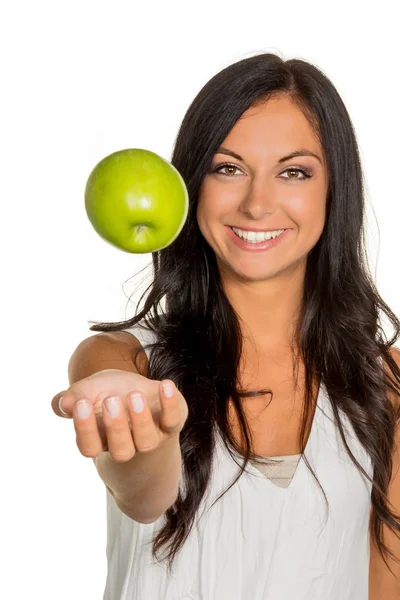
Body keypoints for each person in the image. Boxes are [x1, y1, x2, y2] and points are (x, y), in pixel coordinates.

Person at [51, 52, 400, 599]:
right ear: (191, 186)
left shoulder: (388, 385)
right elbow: (144, 497)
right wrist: (146, 424)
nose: (257, 204)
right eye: (228, 168)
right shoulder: (122, 363)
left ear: (334, 191)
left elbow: (388, 582)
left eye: (293, 172)